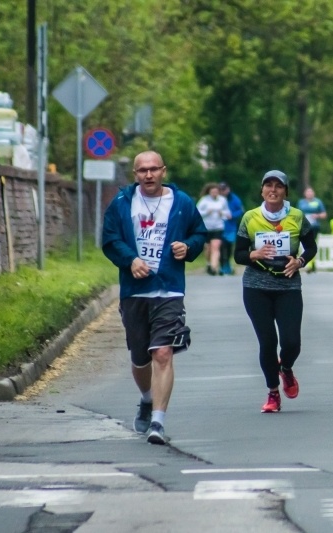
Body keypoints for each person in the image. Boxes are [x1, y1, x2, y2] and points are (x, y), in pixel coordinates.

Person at [101, 150, 207, 445]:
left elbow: (199, 234)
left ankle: (158, 422)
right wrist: (130, 260)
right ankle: (147, 399)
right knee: (139, 357)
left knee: (162, 352)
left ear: (164, 171)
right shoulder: (122, 203)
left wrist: (188, 247)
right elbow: (110, 240)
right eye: (142, 170)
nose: (148, 175)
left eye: (154, 169)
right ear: (135, 175)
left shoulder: (182, 202)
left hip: (169, 289)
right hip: (135, 291)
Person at [234, 170, 318, 413]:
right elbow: (238, 254)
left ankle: (287, 368)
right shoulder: (250, 218)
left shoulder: (297, 216)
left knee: (292, 342)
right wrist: (254, 254)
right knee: (268, 342)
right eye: (268, 185)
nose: (273, 190)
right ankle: (272, 393)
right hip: (256, 287)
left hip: (288, 286)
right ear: (262, 191)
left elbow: (311, 247)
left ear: (285, 191)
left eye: (278, 186)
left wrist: (300, 261)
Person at [197, 183, 231, 275]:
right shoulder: (204, 200)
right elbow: (197, 212)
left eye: (216, 192)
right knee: (208, 248)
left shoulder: (222, 200)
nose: (214, 193)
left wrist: (222, 214)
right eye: (212, 192)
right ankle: (208, 263)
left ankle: (213, 268)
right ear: (209, 192)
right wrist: (206, 212)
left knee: (215, 247)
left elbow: (227, 213)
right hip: (206, 227)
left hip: (218, 227)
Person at [219, 182, 245, 275]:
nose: (223, 192)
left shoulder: (234, 199)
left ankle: (228, 265)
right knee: (221, 248)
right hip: (219, 227)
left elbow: (241, 210)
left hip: (230, 228)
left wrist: (232, 215)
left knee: (229, 248)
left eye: (224, 189)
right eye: (221, 190)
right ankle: (222, 266)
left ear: (228, 189)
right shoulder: (218, 199)